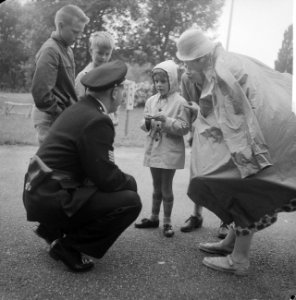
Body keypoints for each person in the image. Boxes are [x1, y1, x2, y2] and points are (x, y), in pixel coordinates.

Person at [176, 28, 296, 275]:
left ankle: (239, 260)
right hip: (279, 130)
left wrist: (245, 164)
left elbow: (238, 126)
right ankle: (231, 242)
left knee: (239, 185)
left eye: (188, 64)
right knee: (235, 180)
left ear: (200, 58)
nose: (186, 71)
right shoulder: (224, 59)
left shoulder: (221, 71)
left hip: (268, 138)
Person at [23, 60, 142, 273]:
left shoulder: (78, 108)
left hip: (40, 192)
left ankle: (51, 229)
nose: (123, 95)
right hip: (53, 197)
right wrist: (130, 182)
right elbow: (105, 177)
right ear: (114, 92)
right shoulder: (97, 120)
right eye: (122, 89)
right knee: (130, 201)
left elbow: (92, 169)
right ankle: (68, 247)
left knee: (97, 188)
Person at [134, 60, 191, 237]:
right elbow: (143, 123)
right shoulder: (151, 100)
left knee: (166, 188)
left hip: (169, 151)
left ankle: (167, 222)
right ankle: (153, 217)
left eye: (163, 81)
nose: (159, 84)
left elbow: (184, 128)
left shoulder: (181, 102)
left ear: (172, 81)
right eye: (156, 81)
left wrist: (166, 120)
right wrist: (148, 122)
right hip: (154, 148)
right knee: (156, 187)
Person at [179, 72, 229, 238]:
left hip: (219, 131)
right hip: (198, 130)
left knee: (221, 174)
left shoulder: (217, 78)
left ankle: (226, 221)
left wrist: (199, 111)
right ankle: (196, 215)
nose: (186, 69)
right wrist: (190, 131)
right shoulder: (187, 78)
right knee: (197, 173)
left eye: (189, 64)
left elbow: (223, 110)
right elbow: (186, 106)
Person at [31, 4, 89, 144]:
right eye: (75, 32)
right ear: (61, 26)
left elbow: (66, 88)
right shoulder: (50, 50)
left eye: (80, 32)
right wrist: (59, 112)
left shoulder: (67, 49)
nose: (79, 37)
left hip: (61, 115)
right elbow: (41, 93)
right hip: (50, 117)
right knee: (51, 161)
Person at [75, 31, 119, 125]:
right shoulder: (83, 76)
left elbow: (112, 101)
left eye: (107, 54)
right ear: (91, 51)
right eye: (100, 53)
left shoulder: (110, 75)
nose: (103, 57)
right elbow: (79, 105)